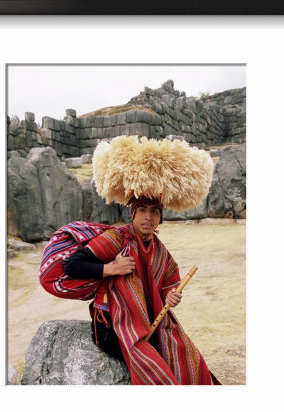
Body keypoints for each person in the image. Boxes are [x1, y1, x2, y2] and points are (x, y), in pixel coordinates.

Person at [59, 135, 221, 385]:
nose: (148, 217)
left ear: (160, 218)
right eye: (143, 211)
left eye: (154, 212)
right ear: (133, 214)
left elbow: (169, 279)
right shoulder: (117, 239)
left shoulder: (158, 248)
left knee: (186, 353)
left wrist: (170, 296)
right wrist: (111, 268)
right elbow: (73, 266)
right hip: (114, 325)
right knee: (153, 367)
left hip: (150, 317)